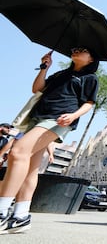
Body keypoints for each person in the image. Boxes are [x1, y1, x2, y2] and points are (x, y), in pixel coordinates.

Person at [0, 47, 99, 234]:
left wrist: (73, 116)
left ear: (91, 57)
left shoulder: (90, 78)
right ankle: (21, 216)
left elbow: (89, 103)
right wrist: (45, 67)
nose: (76, 51)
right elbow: (36, 89)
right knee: (30, 167)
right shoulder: (62, 73)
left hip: (57, 120)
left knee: (18, 152)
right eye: (75, 49)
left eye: (83, 50)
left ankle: (1, 211)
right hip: (37, 117)